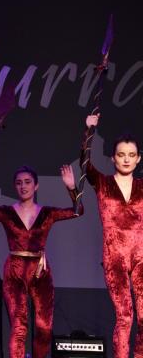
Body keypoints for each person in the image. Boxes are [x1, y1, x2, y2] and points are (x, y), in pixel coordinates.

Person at [0, 164, 82, 358]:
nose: (23, 186)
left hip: (40, 272)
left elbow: (77, 210)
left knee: (44, 328)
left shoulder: (47, 213)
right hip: (15, 271)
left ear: (36, 186)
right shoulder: (7, 212)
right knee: (18, 326)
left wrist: (71, 188)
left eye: (27, 182)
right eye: (18, 183)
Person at [83, 114, 143, 358]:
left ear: (138, 159)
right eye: (121, 154)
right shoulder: (102, 183)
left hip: (141, 258)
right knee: (125, 316)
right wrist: (88, 131)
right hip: (114, 258)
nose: (126, 159)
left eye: (131, 155)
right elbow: (84, 163)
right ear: (113, 158)